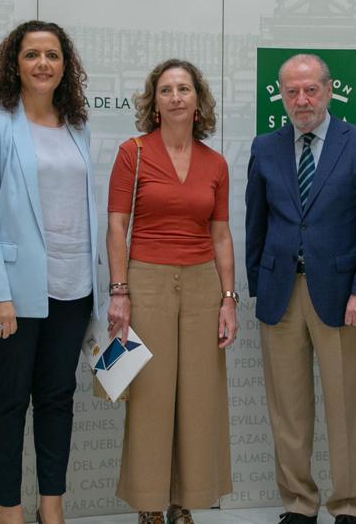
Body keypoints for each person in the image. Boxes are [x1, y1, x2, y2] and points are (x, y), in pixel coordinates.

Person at [0, 20, 99, 524]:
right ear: (14, 62)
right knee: (9, 400)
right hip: (10, 292)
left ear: (66, 65)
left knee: (58, 398)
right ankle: (9, 511)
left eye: (53, 55)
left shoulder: (78, 125)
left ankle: (51, 507)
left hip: (73, 287)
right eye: (33, 54)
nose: (43, 64)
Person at [245, 53, 356, 524]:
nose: (302, 100)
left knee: (344, 407)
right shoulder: (265, 147)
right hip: (281, 294)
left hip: (343, 296)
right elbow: (256, 223)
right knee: (288, 410)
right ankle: (298, 504)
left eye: (311, 90)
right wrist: (258, 286)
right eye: (291, 91)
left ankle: (349, 506)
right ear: (281, 95)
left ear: (329, 90)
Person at [106, 59, 237, 524]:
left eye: (184, 89)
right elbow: (117, 225)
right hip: (147, 282)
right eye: (166, 90)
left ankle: (185, 500)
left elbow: (221, 235)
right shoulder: (133, 152)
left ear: (198, 101)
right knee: (151, 397)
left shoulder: (215, 163)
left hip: (203, 285)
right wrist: (119, 291)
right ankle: (149, 504)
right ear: (154, 102)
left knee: (198, 397)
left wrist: (228, 300)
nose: (176, 96)